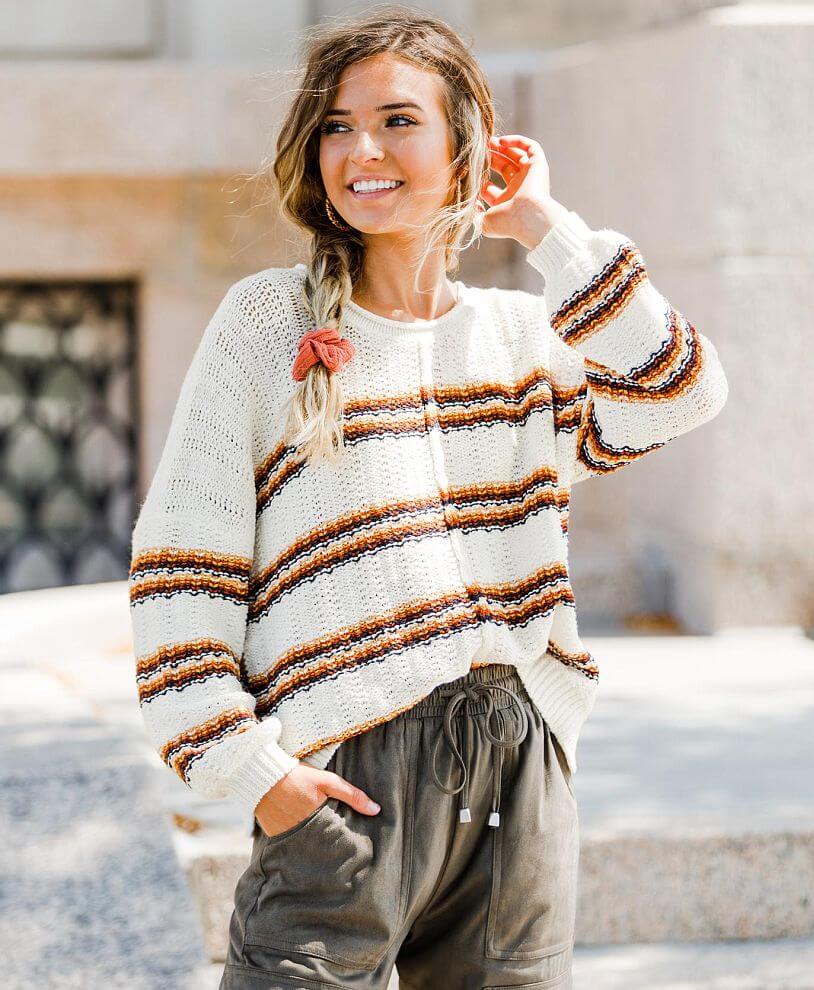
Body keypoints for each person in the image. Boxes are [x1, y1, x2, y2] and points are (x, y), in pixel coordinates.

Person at [127, 7, 729, 989]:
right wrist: (251, 773)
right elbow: (181, 569)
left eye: (398, 120)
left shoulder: (519, 336)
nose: (360, 150)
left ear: (466, 147)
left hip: (517, 765)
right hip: (345, 773)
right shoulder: (266, 321)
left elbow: (679, 388)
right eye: (336, 125)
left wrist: (543, 224)